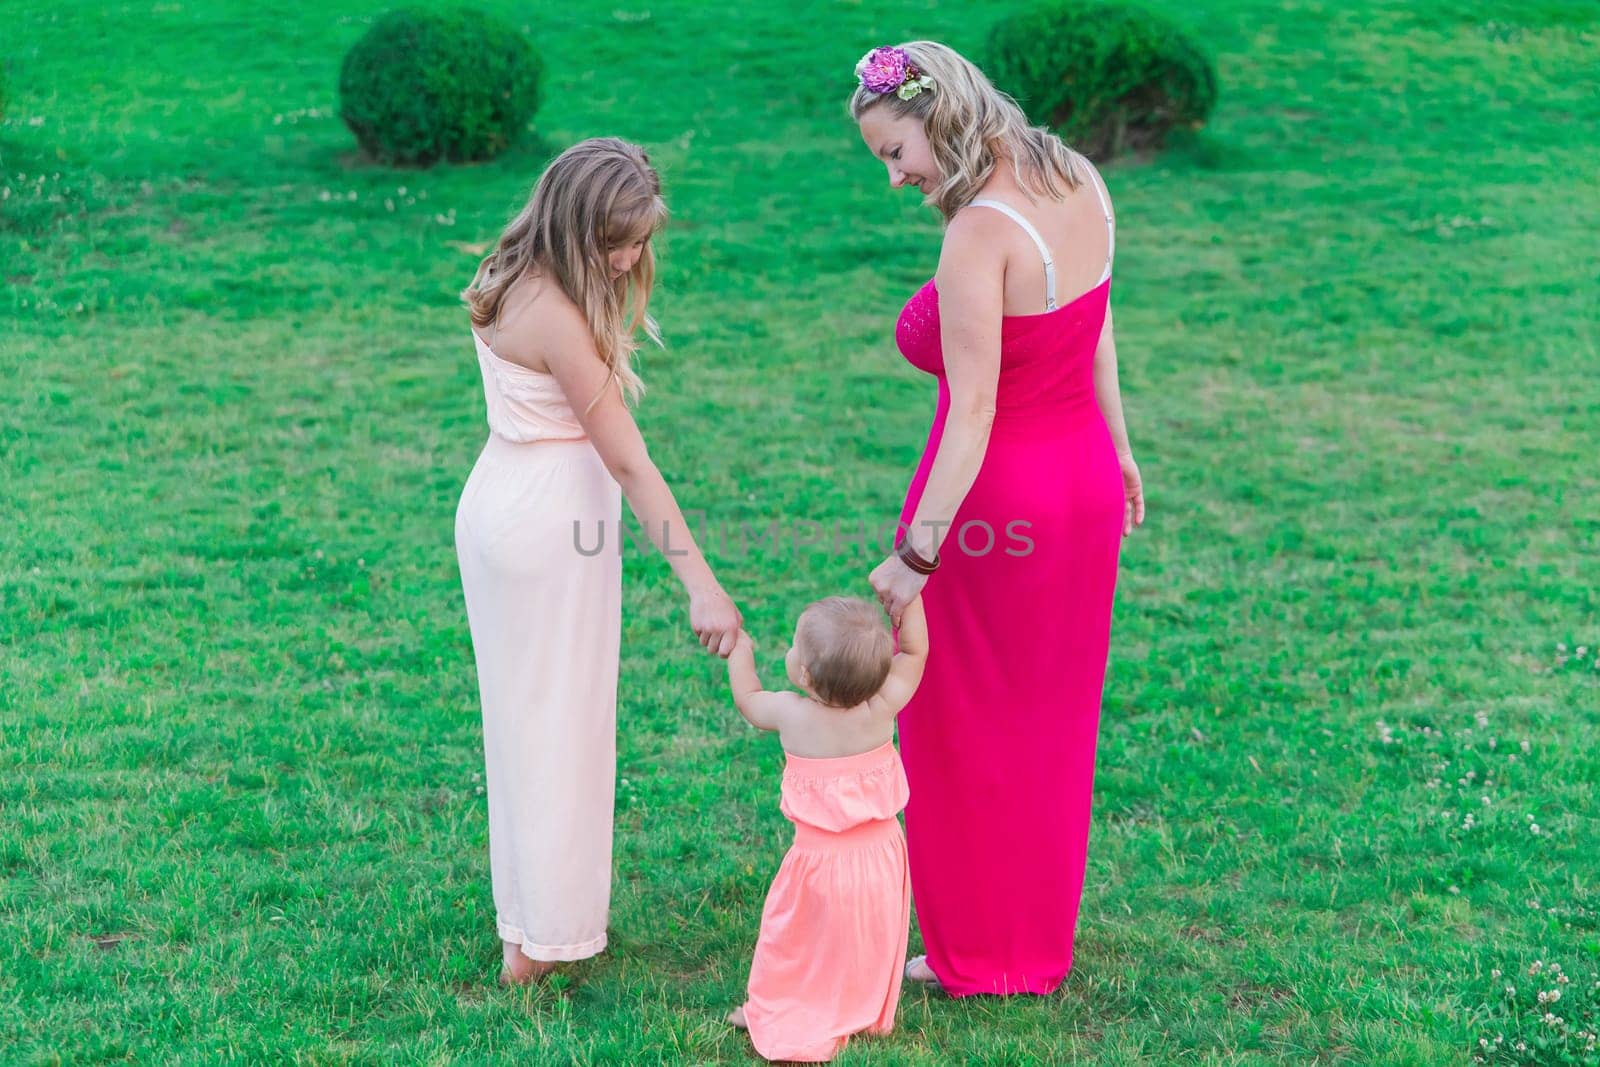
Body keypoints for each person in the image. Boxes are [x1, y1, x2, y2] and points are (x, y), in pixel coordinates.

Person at [850, 43, 1146, 996]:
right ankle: (1032, 945)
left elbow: (972, 414)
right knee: (1051, 723)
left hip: (999, 507)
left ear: (939, 119)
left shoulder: (980, 233)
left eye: (898, 152)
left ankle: (978, 951)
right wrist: (1123, 449)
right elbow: (1099, 328)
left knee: (963, 721)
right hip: (1082, 486)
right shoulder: (1080, 175)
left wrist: (914, 557)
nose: (897, 178)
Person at [455, 137, 742, 984]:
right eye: (622, 240)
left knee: (524, 721)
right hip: (548, 528)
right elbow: (628, 459)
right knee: (555, 728)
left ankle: (530, 923)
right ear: (581, 228)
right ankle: (535, 944)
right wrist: (703, 584)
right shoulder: (560, 315)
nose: (633, 257)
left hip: (506, 503)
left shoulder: (514, 268)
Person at [724, 596, 928, 1062]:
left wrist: (741, 652)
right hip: (882, 855)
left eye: (795, 648)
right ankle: (861, 1006)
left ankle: (773, 1009)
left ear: (806, 676)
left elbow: (749, 700)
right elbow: (915, 653)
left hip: (818, 861)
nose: (790, 653)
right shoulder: (882, 708)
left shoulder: (792, 714)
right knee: (865, 937)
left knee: (793, 938)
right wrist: (910, 600)